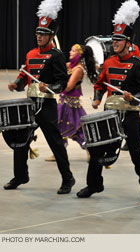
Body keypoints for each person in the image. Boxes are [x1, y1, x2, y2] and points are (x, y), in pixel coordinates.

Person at [76, 0, 140, 201]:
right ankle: (94, 185)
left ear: (129, 43)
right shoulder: (109, 62)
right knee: (97, 148)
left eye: (119, 40)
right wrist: (96, 98)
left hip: (129, 114)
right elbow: (101, 84)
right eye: (114, 39)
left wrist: (134, 98)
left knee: (136, 152)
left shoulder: (138, 64)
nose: (115, 43)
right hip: (109, 113)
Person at [5, 0, 75, 194]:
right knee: (20, 139)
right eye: (37, 33)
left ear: (51, 35)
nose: (39, 36)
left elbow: (63, 83)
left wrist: (49, 87)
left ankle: (68, 179)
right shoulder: (30, 53)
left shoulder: (57, 55)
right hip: (30, 103)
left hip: (47, 105)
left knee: (55, 142)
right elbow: (24, 75)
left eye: (43, 34)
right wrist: (16, 85)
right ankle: (20, 175)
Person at [45, 44, 98, 162]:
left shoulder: (78, 69)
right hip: (63, 101)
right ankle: (58, 152)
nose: (70, 52)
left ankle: (90, 149)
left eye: (73, 51)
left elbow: (68, 87)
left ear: (79, 55)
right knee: (58, 127)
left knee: (77, 129)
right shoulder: (69, 65)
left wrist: (53, 86)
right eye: (70, 50)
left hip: (71, 104)